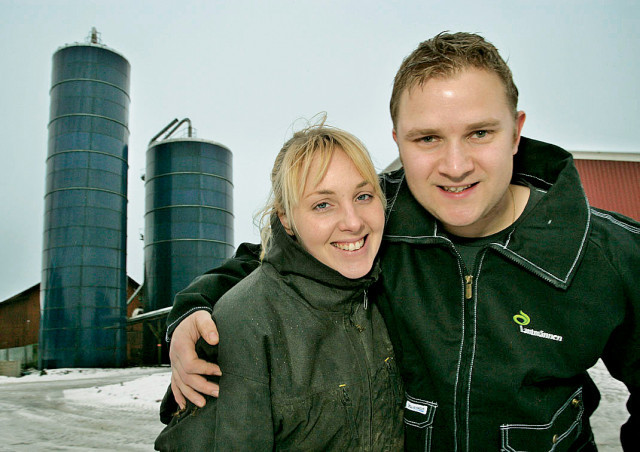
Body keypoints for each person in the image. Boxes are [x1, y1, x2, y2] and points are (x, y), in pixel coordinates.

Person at [164, 32, 639, 451]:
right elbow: (280, 255)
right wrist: (194, 308)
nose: (455, 166)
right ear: (398, 142)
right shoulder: (377, 218)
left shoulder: (607, 255)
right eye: (427, 138)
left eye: (479, 133)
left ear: (516, 132)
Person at [155, 121, 404, 451]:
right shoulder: (245, 326)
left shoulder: (376, 291)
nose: (353, 221)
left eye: (363, 196)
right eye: (323, 204)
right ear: (285, 218)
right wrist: (191, 307)